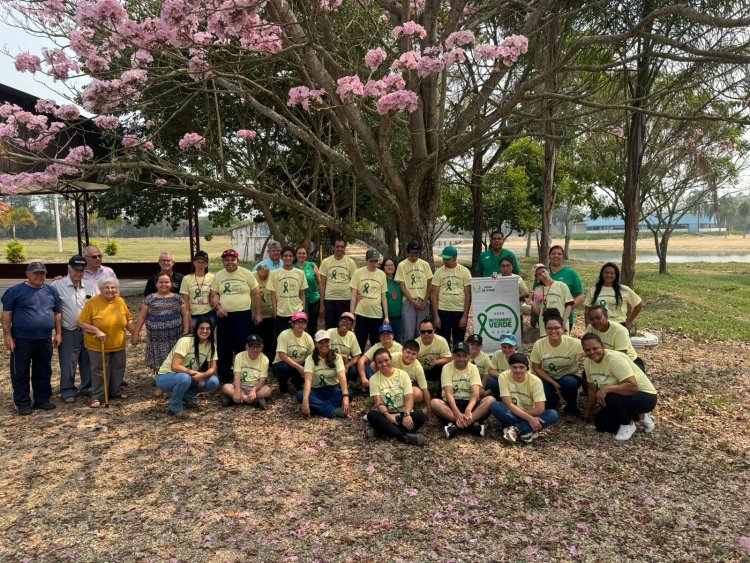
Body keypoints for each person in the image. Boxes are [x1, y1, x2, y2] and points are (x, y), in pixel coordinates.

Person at [2, 262, 61, 415]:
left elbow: (57, 313)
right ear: (27, 274)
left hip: (44, 338)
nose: (39, 276)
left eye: (42, 273)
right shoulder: (15, 291)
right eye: (36, 273)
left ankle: (42, 400)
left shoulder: (51, 291)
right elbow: (7, 315)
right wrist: (7, 335)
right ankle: (22, 402)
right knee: (20, 371)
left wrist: (59, 333)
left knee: (43, 370)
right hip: (21, 339)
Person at [581, 333, 657, 441]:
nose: (592, 352)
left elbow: (633, 387)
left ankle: (628, 424)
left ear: (602, 346)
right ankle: (640, 416)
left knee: (609, 396)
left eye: (595, 348)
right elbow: (592, 389)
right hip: (621, 397)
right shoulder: (588, 363)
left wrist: (606, 388)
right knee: (601, 424)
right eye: (587, 350)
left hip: (645, 396)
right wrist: (588, 411)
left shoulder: (614, 359)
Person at [77, 277, 136, 409]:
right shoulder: (92, 303)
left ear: (117, 289)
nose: (110, 290)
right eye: (106, 287)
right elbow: (81, 322)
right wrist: (97, 330)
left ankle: (115, 392)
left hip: (118, 343)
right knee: (100, 370)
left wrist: (135, 334)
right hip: (98, 344)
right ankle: (98, 396)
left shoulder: (120, 301)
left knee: (118, 368)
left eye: (113, 287)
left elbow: (128, 320)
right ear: (101, 289)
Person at [210, 249, 262, 384]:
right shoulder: (219, 276)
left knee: (241, 345)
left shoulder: (247, 274)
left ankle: (244, 374)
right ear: (223, 262)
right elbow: (213, 295)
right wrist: (219, 307)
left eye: (232, 260)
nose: (230, 262)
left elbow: (256, 294)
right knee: (224, 346)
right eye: (227, 260)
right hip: (224, 316)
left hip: (243, 315)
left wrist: (258, 313)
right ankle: (224, 375)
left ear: (237, 261)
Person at [52, 256, 95, 403]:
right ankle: (67, 390)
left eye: (82, 271)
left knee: (87, 360)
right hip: (68, 329)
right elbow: (54, 310)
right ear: (68, 270)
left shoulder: (89, 285)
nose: (79, 273)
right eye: (75, 270)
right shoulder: (57, 285)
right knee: (68, 361)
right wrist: (57, 332)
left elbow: (94, 307)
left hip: (87, 330)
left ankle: (87, 387)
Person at [490, 352, 560, 444]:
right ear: (510, 367)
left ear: (527, 368)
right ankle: (528, 430)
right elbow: (508, 403)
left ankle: (516, 429)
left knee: (553, 414)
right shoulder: (503, 376)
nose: (518, 370)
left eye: (521, 367)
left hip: (529, 413)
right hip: (513, 411)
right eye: (514, 367)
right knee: (495, 406)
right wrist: (529, 419)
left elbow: (540, 409)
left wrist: (528, 416)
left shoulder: (535, 381)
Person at [155, 318, 220, 416]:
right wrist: (195, 373)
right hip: (166, 376)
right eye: (202, 328)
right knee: (184, 378)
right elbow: (175, 366)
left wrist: (202, 376)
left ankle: (185, 396)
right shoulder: (186, 341)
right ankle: (174, 407)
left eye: (208, 328)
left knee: (213, 381)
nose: (205, 331)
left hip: (187, 375)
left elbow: (213, 369)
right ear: (196, 329)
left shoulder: (211, 345)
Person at [132, 273, 190, 380]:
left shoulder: (178, 298)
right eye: (161, 282)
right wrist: (136, 333)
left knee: (174, 358)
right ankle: (160, 382)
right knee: (159, 359)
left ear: (171, 284)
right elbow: (141, 317)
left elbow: (185, 314)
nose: (164, 284)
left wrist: (186, 332)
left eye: (167, 282)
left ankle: (173, 380)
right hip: (156, 338)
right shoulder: (149, 299)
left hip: (175, 336)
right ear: (156, 284)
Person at [431, 342, 494, 438]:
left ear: (469, 356)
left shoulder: (473, 368)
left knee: (490, 400)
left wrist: (468, 409)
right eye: (458, 356)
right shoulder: (446, 368)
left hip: (470, 404)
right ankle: (471, 425)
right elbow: (449, 393)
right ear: (453, 356)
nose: (461, 359)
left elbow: (475, 393)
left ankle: (456, 426)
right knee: (434, 403)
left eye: (464, 356)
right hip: (452, 405)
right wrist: (456, 413)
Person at [365, 348, 427, 446]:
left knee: (420, 417)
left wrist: (406, 415)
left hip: (403, 413)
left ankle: (381, 431)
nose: (384, 364)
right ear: (376, 364)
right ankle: (404, 436)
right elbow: (379, 402)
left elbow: (409, 397)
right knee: (372, 415)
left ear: (391, 359)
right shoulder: (374, 379)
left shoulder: (403, 374)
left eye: (386, 360)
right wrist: (388, 416)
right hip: (386, 413)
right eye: (380, 362)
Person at [530, 310, 584, 415]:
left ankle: (571, 405)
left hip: (569, 376)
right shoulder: (539, 344)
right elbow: (537, 368)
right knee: (549, 401)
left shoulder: (573, 343)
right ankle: (554, 402)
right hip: (548, 377)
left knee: (568, 382)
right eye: (549, 328)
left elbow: (591, 351)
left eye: (556, 328)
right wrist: (553, 382)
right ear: (545, 330)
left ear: (562, 329)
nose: (553, 331)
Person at [298, 330, 351, 418]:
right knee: (300, 395)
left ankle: (316, 407)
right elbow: (308, 380)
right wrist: (306, 400)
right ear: (316, 344)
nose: (324, 344)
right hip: (316, 390)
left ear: (330, 342)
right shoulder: (310, 358)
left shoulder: (337, 357)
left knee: (349, 394)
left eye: (326, 341)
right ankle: (332, 412)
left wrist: (345, 396)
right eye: (320, 342)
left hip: (333, 389)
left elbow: (342, 376)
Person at [534, 245, 584, 330]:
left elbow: (581, 295)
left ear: (563, 256)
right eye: (553, 254)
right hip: (544, 318)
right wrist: (533, 316)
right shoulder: (541, 273)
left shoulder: (571, 273)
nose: (556, 256)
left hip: (564, 317)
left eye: (559, 254)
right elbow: (536, 297)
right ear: (549, 256)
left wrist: (568, 306)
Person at [431, 245, 471, 347]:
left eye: (447, 259)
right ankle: (445, 360)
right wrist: (436, 316)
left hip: (459, 310)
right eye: (444, 258)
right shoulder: (439, 272)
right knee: (444, 340)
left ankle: (458, 360)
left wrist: (465, 316)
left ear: (455, 258)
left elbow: (468, 295)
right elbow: (434, 295)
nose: (445, 261)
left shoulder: (464, 271)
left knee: (459, 341)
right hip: (443, 310)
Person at [350, 249, 389, 351]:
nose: (374, 264)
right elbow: (353, 295)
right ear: (366, 260)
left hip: (376, 314)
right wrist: (351, 313)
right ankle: (358, 365)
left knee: (376, 344)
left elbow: (383, 297)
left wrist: (386, 316)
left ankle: (375, 365)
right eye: (371, 261)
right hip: (362, 313)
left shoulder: (382, 274)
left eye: (376, 261)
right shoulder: (358, 273)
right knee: (360, 343)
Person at [584, 262, 643, 330]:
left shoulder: (624, 290)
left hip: (619, 326)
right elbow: (587, 311)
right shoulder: (593, 290)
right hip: (599, 326)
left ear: (616, 275)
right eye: (606, 272)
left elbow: (639, 305)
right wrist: (588, 328)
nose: (609, 275)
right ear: (602, 274)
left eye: (612, 273)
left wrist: (629, 321)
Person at [585, 305, 644, 371]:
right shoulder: (590, 328)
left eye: (598, 318)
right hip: (603, 360)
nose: (595, 321)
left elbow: (620, 356)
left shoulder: (620, 330)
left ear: (606, 317)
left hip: (629, 361)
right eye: (591, 319)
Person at [222, 333, 272, 409]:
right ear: (246, 347)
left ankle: (234, 399)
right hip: (241, 385)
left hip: (255, 386)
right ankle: (253, 400)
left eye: (257, 347)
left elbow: (262, 380)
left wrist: (254, 390)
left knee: (268, 390)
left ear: (261, 348)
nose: (255, 349)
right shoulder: (240, 356)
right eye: (252, 346)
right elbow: (237, 375)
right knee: (226, 387)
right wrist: (238, 390)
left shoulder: (264, 359)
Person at [395, 241, 433, 341]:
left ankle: (420, 354)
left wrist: (425, 300)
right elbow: (402, 286)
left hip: (423, 302)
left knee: (422, 332)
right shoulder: (402, 265)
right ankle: (408, 354)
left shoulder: (425, 264)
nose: (414, 258)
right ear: (408, 253)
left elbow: (430, 283)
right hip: (408, 302)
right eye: (412, 255)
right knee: (409, 334)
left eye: (416, 255)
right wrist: (412, 301)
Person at [269, 246, 308, 338]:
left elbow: (302, 294)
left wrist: (303, 309)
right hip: (281, 312)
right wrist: (275, 310)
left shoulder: (300, 273)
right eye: (285, 256)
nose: (288, 258)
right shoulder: (274, 273)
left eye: (290, 256)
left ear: (294, 258)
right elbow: (273, 295)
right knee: (282, 337)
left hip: (296, 310)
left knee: (297, 336)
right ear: (281, 257)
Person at [273, 311, 315, 395]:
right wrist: (299, 367)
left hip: (300, 364)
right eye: (298, 322)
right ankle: (283, 388)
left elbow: (311, 355)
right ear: (292, 324)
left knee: (312, 366)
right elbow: (282, 355)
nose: (301, 325)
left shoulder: (308, 337)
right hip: (284, 363)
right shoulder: (284, 334)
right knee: (282, 368)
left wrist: (306, 366)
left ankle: (296, 382)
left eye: (303, 322)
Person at [319, 237, 357, 329]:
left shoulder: (350, 262)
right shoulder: (326, 262)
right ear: (333, 247)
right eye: (337, 246)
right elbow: (322, 284)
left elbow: (355, 285)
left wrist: (354, 304)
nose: (339, 249)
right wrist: (322, 304)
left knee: (344, 327)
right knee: (330, 327)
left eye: (341, 246)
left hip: (345, 299)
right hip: (330, 300)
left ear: (344, 248)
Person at [391, 340, 433, 419]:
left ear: (418, 355)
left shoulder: (417, 367)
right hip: (392, 384)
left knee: (418, 394)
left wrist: (429, 410)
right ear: (402, 350)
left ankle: (402, 407)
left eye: (414, 354)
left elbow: (424, 389)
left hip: (407, 388)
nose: (410, 356)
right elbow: (376, 364)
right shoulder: (393, 357)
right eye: (408, 352)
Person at [531, 263, 574, 336]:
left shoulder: (561, 285)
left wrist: (563, 322)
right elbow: (539, 311)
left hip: (561, 325)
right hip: (546, 328)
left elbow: (569, 305)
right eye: (539, 274)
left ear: (548, 271)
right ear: (537, 278)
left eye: (543, 271)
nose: (543, 274)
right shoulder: (538, 290)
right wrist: (532, 303)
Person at [357, 323, 403, 388]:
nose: (385, 336)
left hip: (394, 373)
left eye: (388, 334)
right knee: (368, 365)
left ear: (392, 335)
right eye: (383, 334)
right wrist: (363, 377)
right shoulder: (377, 346)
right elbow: (361, 360)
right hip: (379, 372)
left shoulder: (399, 347)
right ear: (379, 337)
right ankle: (375, 382)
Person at [179, 250, 216, 328]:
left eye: (203, 263)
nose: (200, 265)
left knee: (208, 336)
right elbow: (185, 300)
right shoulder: (187, 278)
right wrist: (187, 316)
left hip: (209, 313)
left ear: (206, 264)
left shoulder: (212, 278)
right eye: (198, 262)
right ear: (194, 262)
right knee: (194, 337)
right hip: (193, 315)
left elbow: (214, 295)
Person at [416, 319, 452, 391]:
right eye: (423, 332)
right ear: (419, 332)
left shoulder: (441, 341)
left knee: (446, 367)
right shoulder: (415, 343)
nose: (426, 334)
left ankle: (442, 391)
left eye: (429, 331)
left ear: (434, 330)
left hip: (437, 368)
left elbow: (448, 358)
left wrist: (437, 362)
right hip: (421, 370)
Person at [294, 245, 321, 336]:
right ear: (296, 255)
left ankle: (313, 345)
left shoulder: (312, 265)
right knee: (300, 324)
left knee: (312, 324)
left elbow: (319, 282)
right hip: (299, 301)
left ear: (307, 255)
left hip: (313, 299)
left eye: (303, 253)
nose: (301, 255)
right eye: (299, 253)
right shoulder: (293, 267)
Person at [327, 311, 361, 383]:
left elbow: (357, 356)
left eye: (349, 323)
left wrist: (347, 366)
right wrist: (341, 356)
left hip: (345, 362)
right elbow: (324, 350)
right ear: (339, 322)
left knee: (353, 372)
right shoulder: (330, 332)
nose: (345, 324)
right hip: (331, 359)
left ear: (351, 326)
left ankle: (346, 382)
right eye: (344, 321)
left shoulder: (351, 336)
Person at [252, 263, 276, 360]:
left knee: (271, 337)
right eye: (261, 276)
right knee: (258, 336)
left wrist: (275, 310)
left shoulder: (272, 275)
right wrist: (253, 313)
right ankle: (258, 357)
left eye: (266, 275)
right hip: (257, 314)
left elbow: (275, 293)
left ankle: (270, 358)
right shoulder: (252, 276)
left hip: (270, 313)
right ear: (257, 272)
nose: (264, 278)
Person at [485, 333, 519, 398]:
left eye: (510, 347)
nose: (507, 350)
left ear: (516, 347)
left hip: (517, 384)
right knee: (491, 380)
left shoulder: (521, 358)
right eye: (504, 347)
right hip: (503, 382)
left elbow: (527, 374)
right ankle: (500, 398)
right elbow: (491, 370)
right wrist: (502, 376)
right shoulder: (498, 354)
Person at [382, 257, 403, 342]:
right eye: (387, 265)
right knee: (385, 340)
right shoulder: (382, 280)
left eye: (392, 265)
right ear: (383, 267)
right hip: (385, 317)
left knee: (398, 339)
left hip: (399, 317)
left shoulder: (399, 280)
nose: (390, 267)